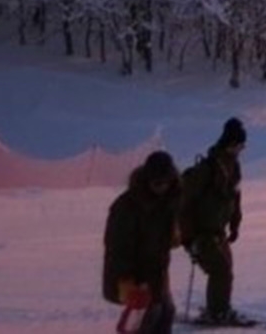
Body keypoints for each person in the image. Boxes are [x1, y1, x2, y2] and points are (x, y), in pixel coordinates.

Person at [104, 150, 181, 334]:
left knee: (166, 312)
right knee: (147, 317)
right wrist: (126, 280)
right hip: (134, 275)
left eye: (166, 182)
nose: (161, 187)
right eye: (156, 182)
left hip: (157, 271)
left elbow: (168, 232)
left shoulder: (169, 200)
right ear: (147, 180)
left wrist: (175, 235)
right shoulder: (126, 206)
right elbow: (117, 247)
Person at [181, 117, 247, 327]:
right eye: (239, 145)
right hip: (201, 232)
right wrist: (188, 237)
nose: (241, 149)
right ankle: (216, 312)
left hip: (218, 230)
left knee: (225, 270)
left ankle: (220, 308)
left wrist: (235, 224)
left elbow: (234, 197)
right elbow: (184, 202)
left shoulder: (233, 167)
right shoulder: (207, 169)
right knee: (220, 270)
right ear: (230, 144)